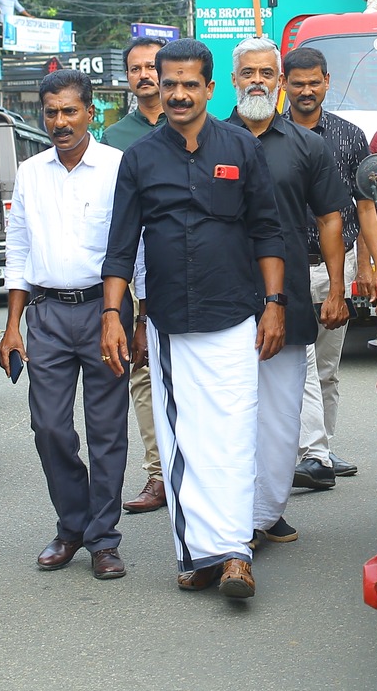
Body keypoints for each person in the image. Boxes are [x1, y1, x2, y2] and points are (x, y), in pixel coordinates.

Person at [102, 38, 285, 600]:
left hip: (234, 317)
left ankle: (234, 555)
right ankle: (198, 554)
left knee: (231, 436)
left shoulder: (240, 149)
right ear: (158, 84)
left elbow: (267, 231)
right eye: (170, 82)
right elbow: (120, 246)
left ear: (210, 88)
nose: (179, 93)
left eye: (190, 83)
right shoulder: (139, 159)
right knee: (185, 441)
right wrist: (114, 314)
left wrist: (274, 305)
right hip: (169, 324)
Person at [2, 70, 136, 581]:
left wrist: (133, 319)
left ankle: (103, 539)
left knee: (106, 431)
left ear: (91, 113)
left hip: (106, 311)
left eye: (69, 111)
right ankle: (72, 524)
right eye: (51, 112)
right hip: (47, 315)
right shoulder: (31, 172)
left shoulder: (119, 168)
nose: (60, 122)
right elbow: (18, 248)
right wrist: (13, 325)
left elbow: (134, 250)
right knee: (50, 427)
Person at [226, 38, 349, 551]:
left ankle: (269, 510)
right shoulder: (207, 140)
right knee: (232, 416)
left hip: (290, 299)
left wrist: (337, 290)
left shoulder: (307, 146)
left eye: (266, 72)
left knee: (281, 417)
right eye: (247, 72)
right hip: (225, 302)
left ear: (279, 80)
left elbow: (329, 218)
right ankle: (236, 519)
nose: (257, 80)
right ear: (233, 81)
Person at [282, 45, 377, 490]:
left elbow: (364, 207)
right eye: (297, 83)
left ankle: (322, 448)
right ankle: (307, 452)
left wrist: (375, 267)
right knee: (294, 365)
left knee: (326, 367)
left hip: (333, 268)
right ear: (284, 84)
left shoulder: (349, 136)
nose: (306, 90)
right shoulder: (267, 133)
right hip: (281, 270)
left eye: (314, 82)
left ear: (327, 82)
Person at [101, 36, 171, 514]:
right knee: (142, 377)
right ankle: (157, 475)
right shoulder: (113, 140)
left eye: (152, 67)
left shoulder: (196, 124)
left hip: (188, 268)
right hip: (135, 270)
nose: (144, 75)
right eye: (136, 69)